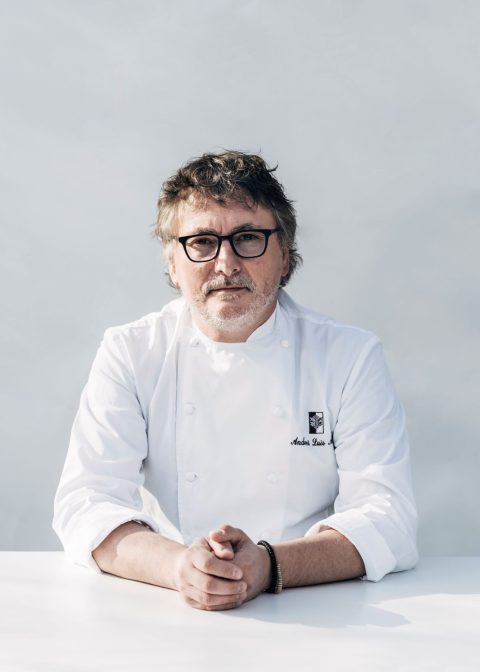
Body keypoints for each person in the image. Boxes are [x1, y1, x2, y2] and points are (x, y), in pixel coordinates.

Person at [53, 150, 418, 611]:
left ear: (285, 256)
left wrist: (269, 566)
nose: (225, 263)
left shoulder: (348, 357)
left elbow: (388, 518)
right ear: (173, 263)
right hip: (165, 606)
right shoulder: (131, 352)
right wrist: (180, 567)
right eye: (202, 241)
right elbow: (86, 504)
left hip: (315, 605)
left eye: (247, 238)